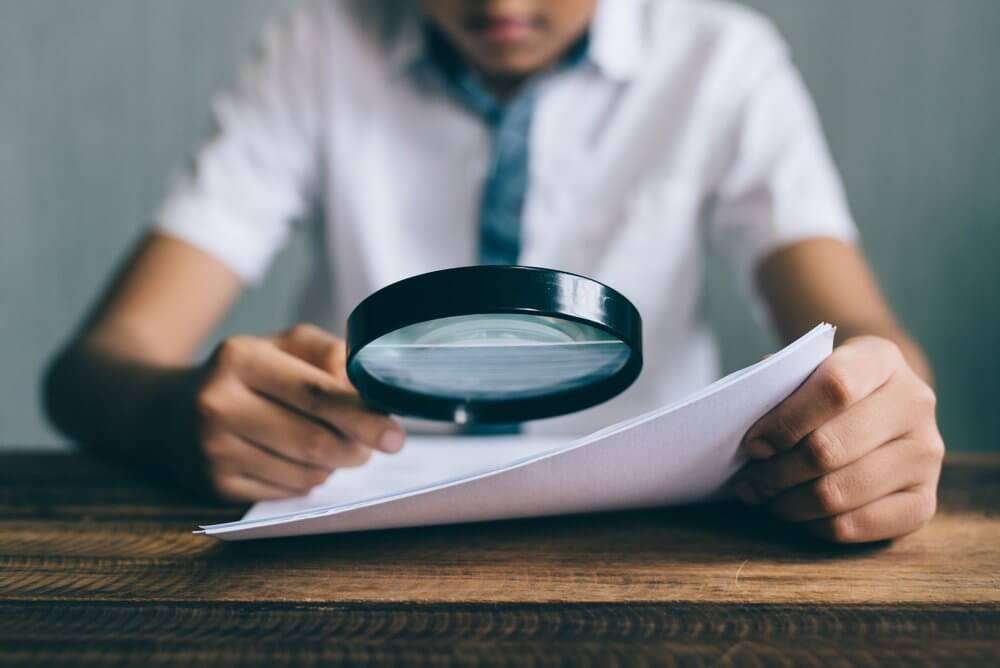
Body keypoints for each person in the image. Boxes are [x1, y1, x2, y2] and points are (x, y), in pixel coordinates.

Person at [44, 0, 944, 543]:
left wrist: (879, 414)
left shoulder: (723, 59)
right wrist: (173, 413)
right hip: (354, 531)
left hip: (655, 541)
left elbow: (859, 330)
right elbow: (93, 368)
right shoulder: (319, 46)